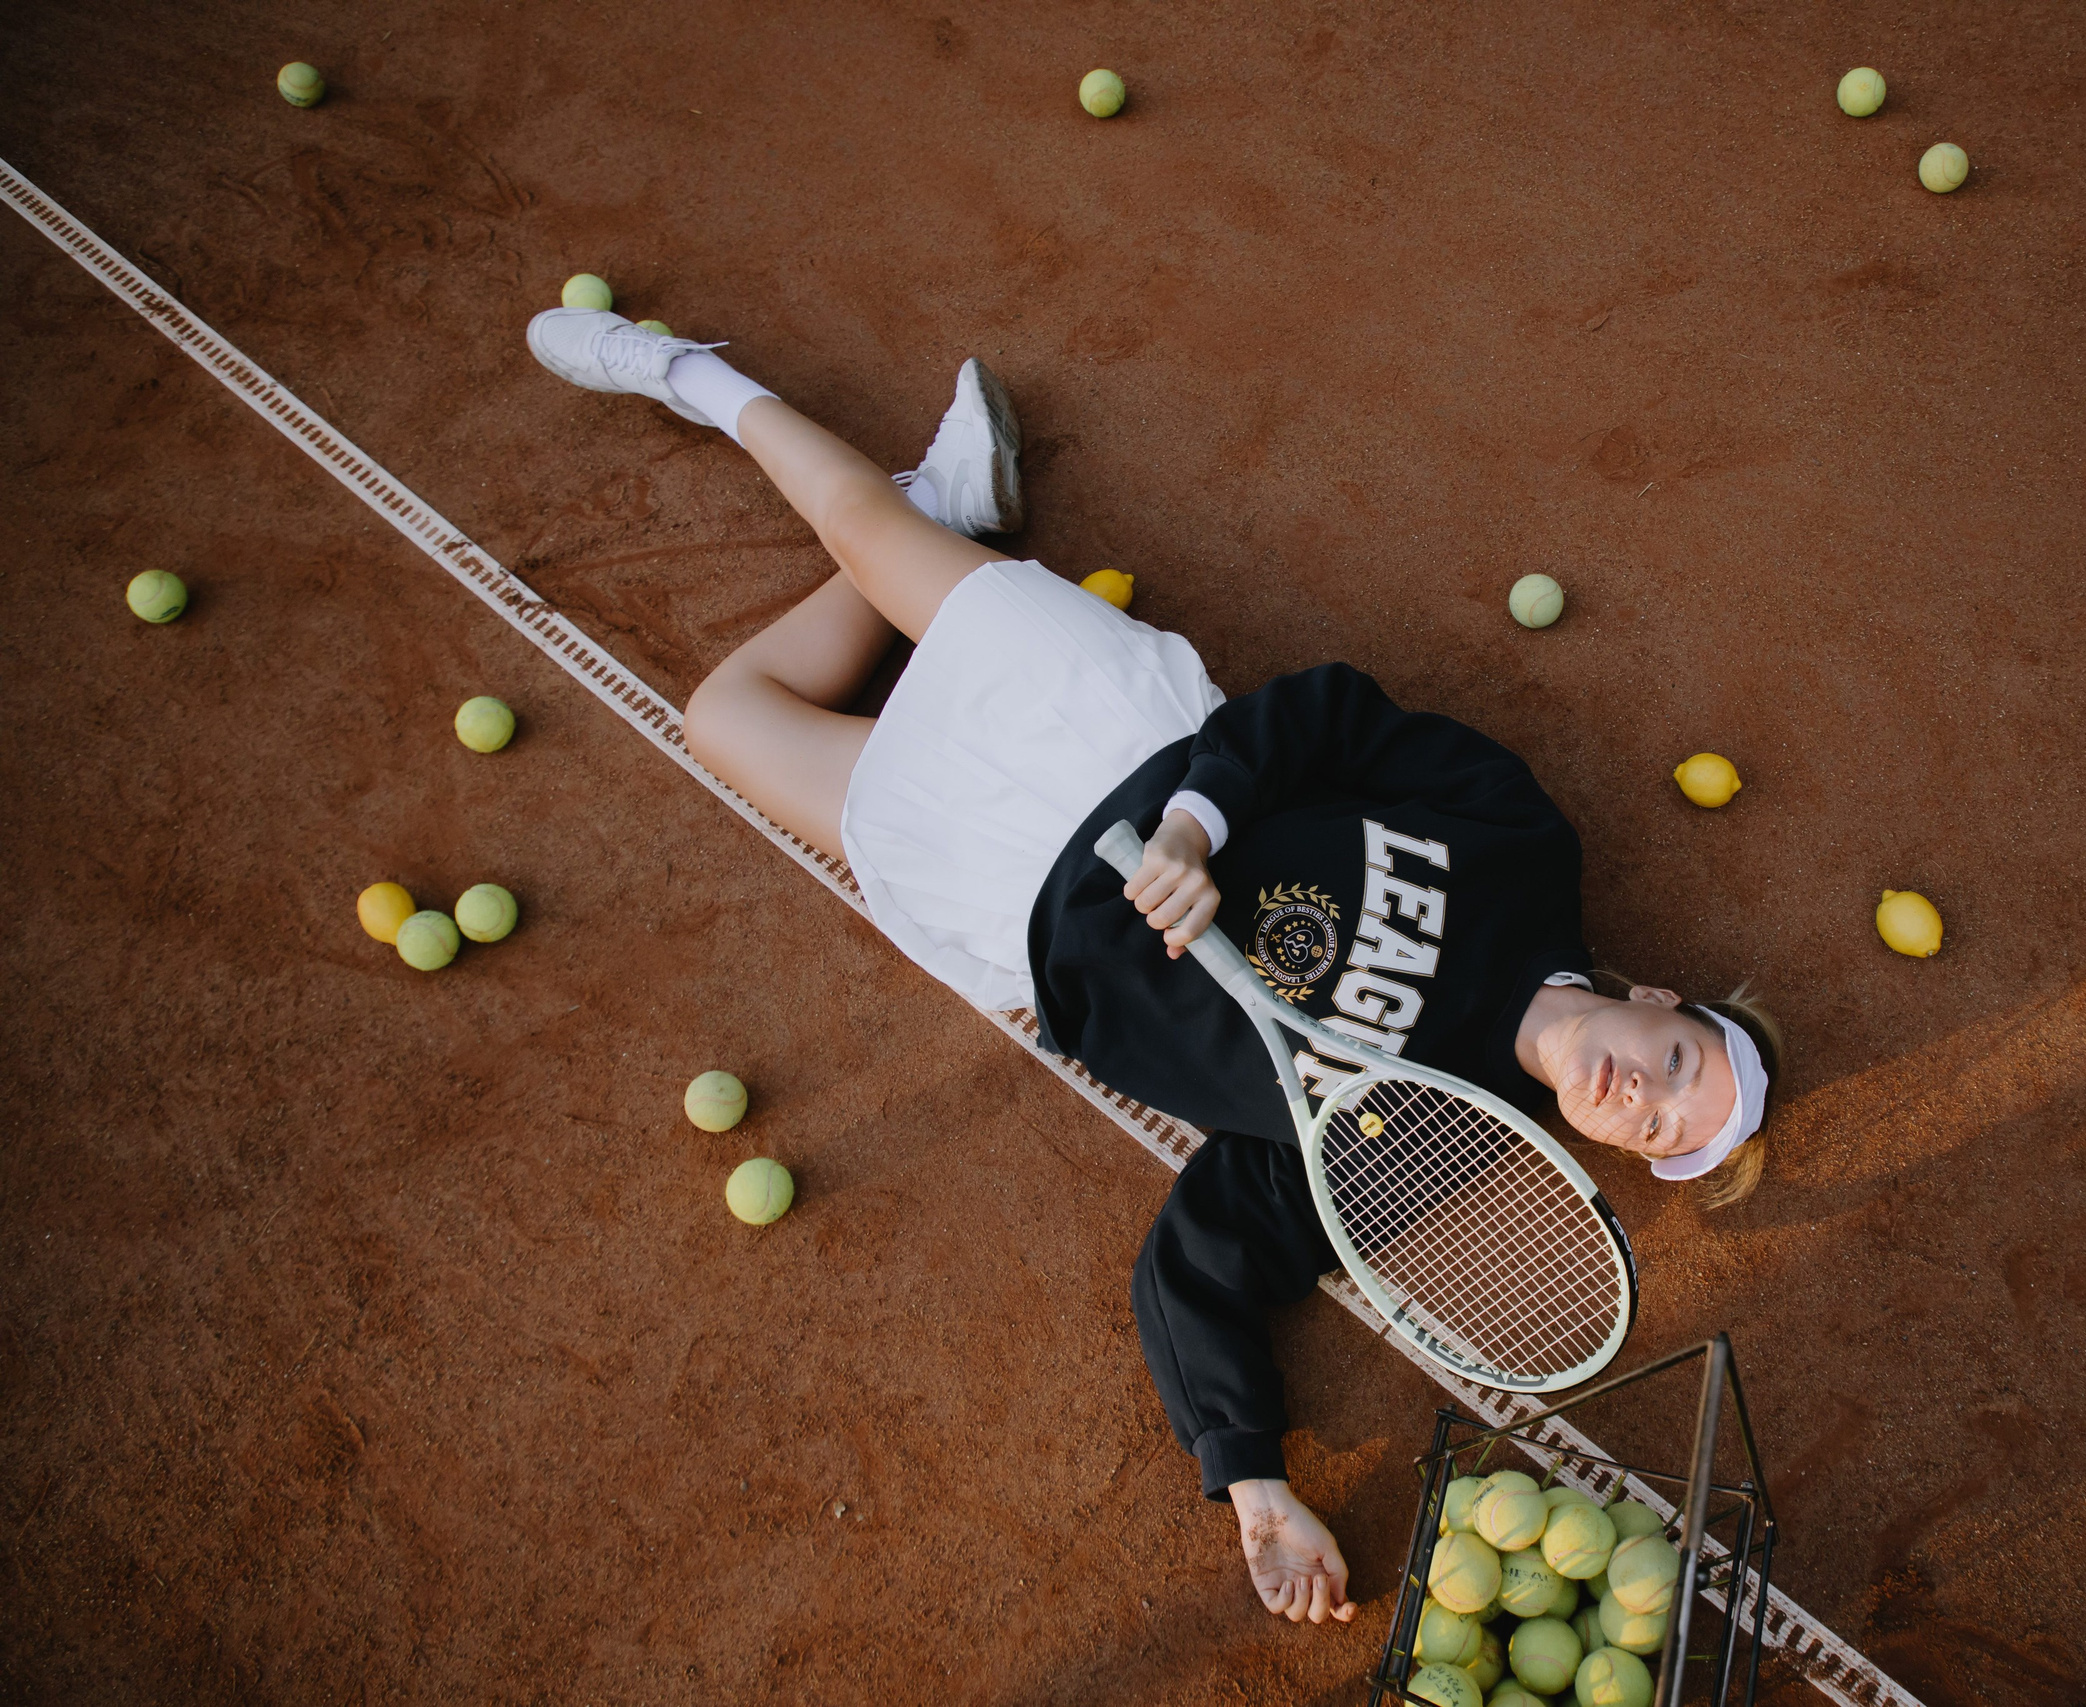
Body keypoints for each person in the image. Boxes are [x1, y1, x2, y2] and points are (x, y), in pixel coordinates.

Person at [523, 307, 1779, 1627]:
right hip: (1116, 741)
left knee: (723, 715)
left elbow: (1208, 1255)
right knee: (855, 530)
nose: (1639, 1097)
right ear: (1654, 1002)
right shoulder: (1527, 851)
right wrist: (1199, 823)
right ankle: (695, 376)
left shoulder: (1436, 1141)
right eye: (1678, 1065)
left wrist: (1250, 1480)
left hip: (1016, 910)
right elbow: (1328, 712)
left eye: (1653, 1134)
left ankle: (946, 507)